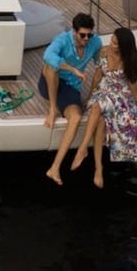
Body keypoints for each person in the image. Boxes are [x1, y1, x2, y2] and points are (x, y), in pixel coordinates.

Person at [70, 27, 137, 188]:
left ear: (124, 46)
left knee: (97, 107)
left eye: (116, 43)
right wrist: (90, 95)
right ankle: (98, 168)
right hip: (103, 90)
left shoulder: (128, 59)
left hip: (119, 94)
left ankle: (82, 149)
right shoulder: (104, 51)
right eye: (112, 40)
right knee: (100, 120)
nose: (111, 44)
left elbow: (132, 82)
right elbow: (97, 75)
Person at [40, 12, 101, 186]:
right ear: (74, 31)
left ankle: (54, 168)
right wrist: (73, 69)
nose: (86, 39)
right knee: (51, 66)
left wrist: (92, 94)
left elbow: (100, 67)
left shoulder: (95, 42)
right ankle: (53, 109)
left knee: (75, 117)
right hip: (50, 83)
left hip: (70, 87)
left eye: (89, 35)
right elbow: (48, 56)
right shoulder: (62, 40)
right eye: (82, 35)